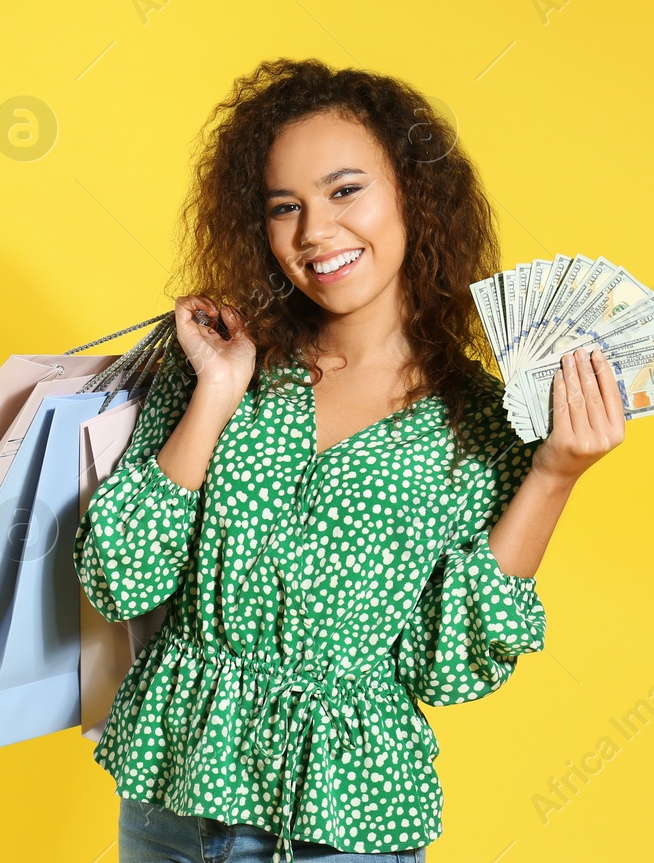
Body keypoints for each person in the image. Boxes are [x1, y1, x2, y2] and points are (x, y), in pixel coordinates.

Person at [73, 58, 625, 863]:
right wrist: (218, 392)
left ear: (414, 194)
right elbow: (119, 577)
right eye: (283, 207)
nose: (316, 233)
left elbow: (445, 665)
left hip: (342, 827)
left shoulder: (482, 425)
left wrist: (554, 474)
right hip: (172, 803)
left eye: (344, 191)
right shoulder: (223, 368)